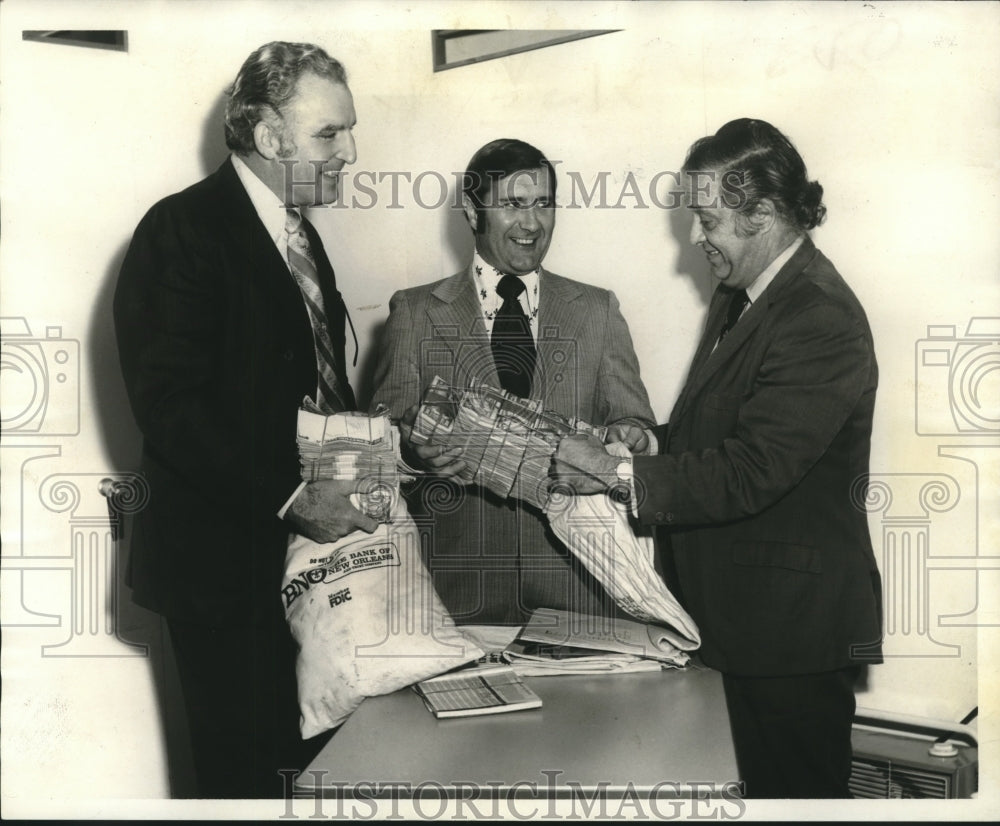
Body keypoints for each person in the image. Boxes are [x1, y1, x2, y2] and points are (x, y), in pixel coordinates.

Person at [552, 118, 883, 798]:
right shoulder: (746, 294)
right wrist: (652, 443)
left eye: (708, 222)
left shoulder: (820, 316)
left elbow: (751, 471)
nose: (696, 242)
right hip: (738, 626)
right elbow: (727, 430)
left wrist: (612, 474)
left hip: (790, 641)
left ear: (761, 213)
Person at [113, 41, 375, 799]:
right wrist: (294, 498)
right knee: (246, 788)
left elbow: (305, 386)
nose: (351, 152)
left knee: (315, 777)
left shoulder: (299, 233)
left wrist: (376, 449)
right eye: (330, 134)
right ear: (267, 136)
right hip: (222, 578)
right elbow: (171, 408)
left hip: (303, 568)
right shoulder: (180, 230)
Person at [370, 138, 656, 625]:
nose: (532, 223)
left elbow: (636, 425)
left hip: (582, 590)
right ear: (472, 210)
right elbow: (378, 447)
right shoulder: (414, 312)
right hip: (454, 593)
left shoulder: (597, 310)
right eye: (513, 205)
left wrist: (632, 437)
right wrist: (413, 452)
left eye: (544, 204)